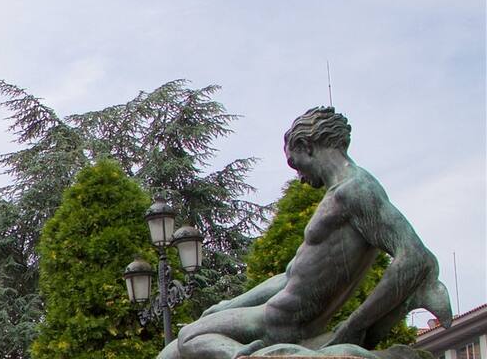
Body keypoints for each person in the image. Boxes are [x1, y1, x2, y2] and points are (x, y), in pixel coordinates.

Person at [160, 107, 452, 358]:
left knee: (189, 339)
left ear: (308, 147)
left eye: (294, 162)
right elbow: (289, 276)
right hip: (280, 311)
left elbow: (416, 258)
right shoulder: (345, 192)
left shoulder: (355, 190)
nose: (298, 176)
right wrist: (227, 305)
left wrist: (353, 326)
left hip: (282, 321)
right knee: (172, 349)